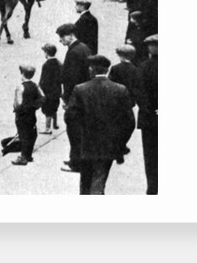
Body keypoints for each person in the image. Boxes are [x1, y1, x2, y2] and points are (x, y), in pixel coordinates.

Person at [65, 55, 135, 195]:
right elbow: (129, 122)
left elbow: (70, 118)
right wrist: (120, 143)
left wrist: (77, 142)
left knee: (85, 181)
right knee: (99, 180)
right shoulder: (120, 90)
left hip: (86, 145)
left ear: (91, 69)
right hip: (108, 145)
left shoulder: (80, 89)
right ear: (108, 69)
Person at [56, 23, 92, 173]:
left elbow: (71, 78)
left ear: (70, 35)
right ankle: (75, 158)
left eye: (62, 37)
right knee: (80, 131)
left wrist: (66, 98)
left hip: (75, 98)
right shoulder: (84, 47)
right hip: (84, 95)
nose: (60, 41)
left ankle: (76, 162)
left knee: (74, 131)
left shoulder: (73, 52)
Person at [11, 65, 45, 165]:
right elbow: (42, 97)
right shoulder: (35, 85)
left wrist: (17, 109)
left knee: (23, 134)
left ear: (22, 74)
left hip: (22, 115)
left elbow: (19, 103)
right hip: (31, 114)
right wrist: (34, 106)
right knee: (31, 133)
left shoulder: (20, 87)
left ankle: (23, 157)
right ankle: (28, 155)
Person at [137, 34, 158, 195]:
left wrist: (150, 110)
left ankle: (153, 188)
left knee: (151, 157)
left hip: (150, 119)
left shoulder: (144, 67)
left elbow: (141, 95)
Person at [39, 43, 62, 134]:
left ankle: (47, 128)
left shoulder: (46, 65)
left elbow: (44, 79)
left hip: (48, 91)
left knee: (48, 110)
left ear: (46, 53)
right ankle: (55, 124)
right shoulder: (59, 63)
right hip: (57, 90)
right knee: (55, 107)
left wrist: (41, 88)